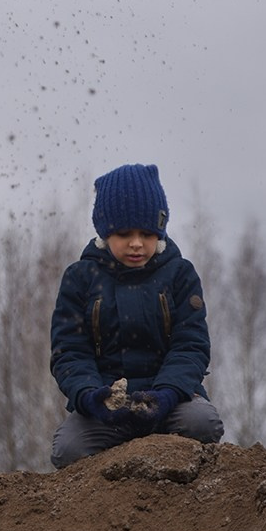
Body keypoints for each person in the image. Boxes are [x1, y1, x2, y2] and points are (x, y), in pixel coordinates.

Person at [49, 163, 223, 467]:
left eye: (146, 233)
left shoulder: (181, 275)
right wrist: (91, 396)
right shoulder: (79, 278)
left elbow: (191, 345)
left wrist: (167, 394)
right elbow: (69, 352)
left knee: (202, 423)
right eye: (124, 233)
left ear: (161, 230)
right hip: (105, 412)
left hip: (172, 402)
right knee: (68, 449)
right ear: (104, 232)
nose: (136, 243)